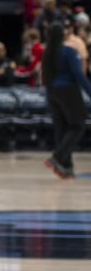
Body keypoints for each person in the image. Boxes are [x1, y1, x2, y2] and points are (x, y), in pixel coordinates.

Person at [42, 22, 91, 179]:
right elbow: (79, 75)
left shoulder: (47, 52)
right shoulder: (69, 51)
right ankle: (57, 157)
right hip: (68, 91)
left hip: (51, 93)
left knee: (62, 129)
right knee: (77, 125)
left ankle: (66, 167)